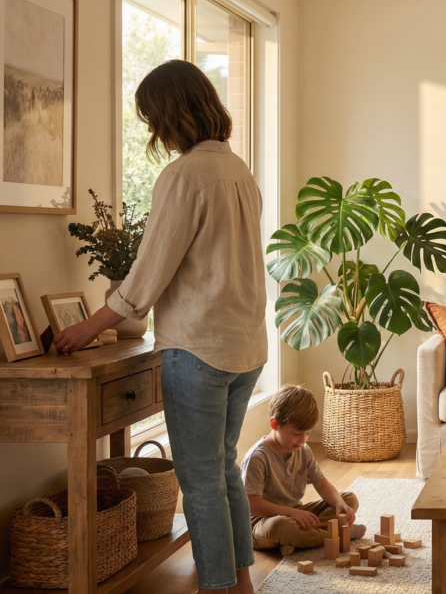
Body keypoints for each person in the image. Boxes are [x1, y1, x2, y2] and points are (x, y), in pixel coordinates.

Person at [53, 60, 267, 594]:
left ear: (171, 114)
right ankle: (241, 585)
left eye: (152, 118)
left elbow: (148, 274)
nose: (154, 131)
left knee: (198, 484)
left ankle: (216, 590)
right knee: (224, 471)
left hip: (198, 348)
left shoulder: (183, 176)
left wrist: (86, 328)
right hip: (246, 346)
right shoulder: (239, 169)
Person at [242, 385, 362, 556]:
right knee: (281, 527)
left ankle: (299, 539)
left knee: (348, 499)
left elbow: (322, 484)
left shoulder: (303, 450)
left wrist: (339, 504)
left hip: (295, 514)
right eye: (297, 433)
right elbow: (252, 504)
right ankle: (335, 534)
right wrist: (293, 513)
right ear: (274, 424)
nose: (303, 440)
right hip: (261, 523)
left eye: (307, 433)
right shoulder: (257, 457)